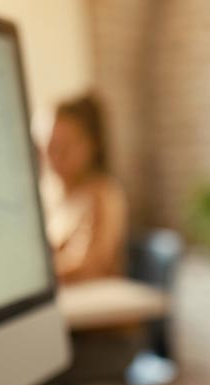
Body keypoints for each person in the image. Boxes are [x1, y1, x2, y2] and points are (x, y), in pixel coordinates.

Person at [45, 94, 127, 283]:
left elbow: (90, 267)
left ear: (93, 145)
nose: (57, 157)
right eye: (52, 146)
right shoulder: (55, 195)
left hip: (99, 304)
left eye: (66, 147)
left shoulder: (104, 194)